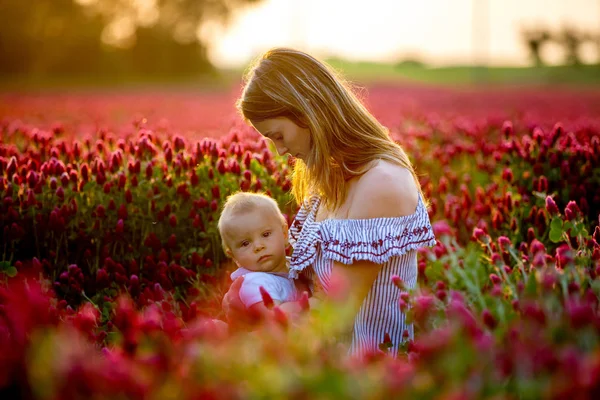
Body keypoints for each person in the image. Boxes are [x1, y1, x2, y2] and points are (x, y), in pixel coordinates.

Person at [223, 47, 437, 356]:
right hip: (320, 366)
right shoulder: (329, 181)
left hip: (367, 378)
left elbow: (334, 316)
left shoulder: (380, 183)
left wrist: (250, 340)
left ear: (307, 110)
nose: (280, 152)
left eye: (279, 135)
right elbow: (308, 292)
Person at [218, 191, 301, 318]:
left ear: (285, 234)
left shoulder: (295, 266)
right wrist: (309, 304)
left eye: (266, 234)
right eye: (245, 243)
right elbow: (275, 318)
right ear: (234, 256)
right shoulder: (255, 282)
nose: (258, 246)